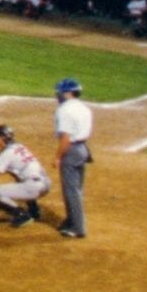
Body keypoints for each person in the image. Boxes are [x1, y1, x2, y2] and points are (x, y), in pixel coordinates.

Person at [0, 123, 50, 228]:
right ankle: (34, 210)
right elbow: (14, 172)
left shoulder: (5, 154)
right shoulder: (19, 147)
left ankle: (21, 215)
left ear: (1, 138)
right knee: (20, 179)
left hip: (33, 188)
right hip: (46, 184)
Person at [53, 77, 93, 238]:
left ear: (68, 93)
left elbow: (65, 138)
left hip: (71, 150)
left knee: (71, 190)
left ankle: (78, 228)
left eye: (60, 92)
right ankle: (72, 220)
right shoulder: (84, 108)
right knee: (76, 188)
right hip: (83, 149)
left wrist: (57, 157)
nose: (57, 95)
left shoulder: (64, 110)